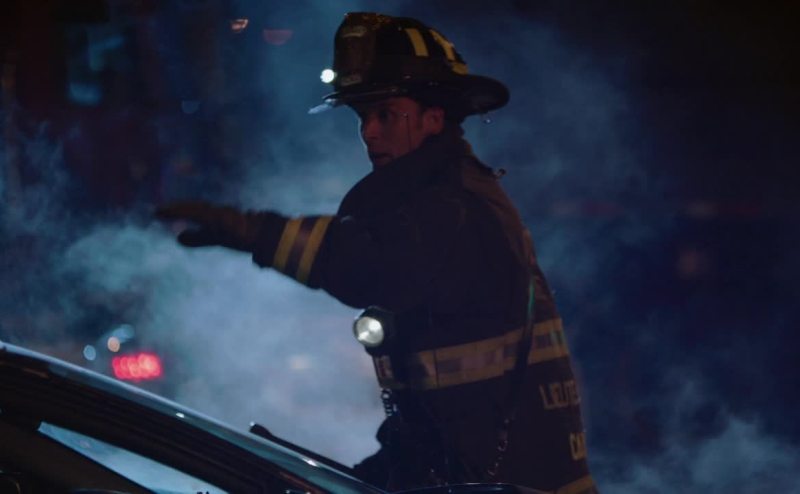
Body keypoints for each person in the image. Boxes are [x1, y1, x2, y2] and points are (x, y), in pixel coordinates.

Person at [157, 12, 597, 493]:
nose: (368, 132)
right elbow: (440, 416)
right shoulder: (443, 197)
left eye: (386, 114)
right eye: (362, 117)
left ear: (434, 117)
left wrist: (252, 231)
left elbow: (370, 267)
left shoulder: (456, 206)